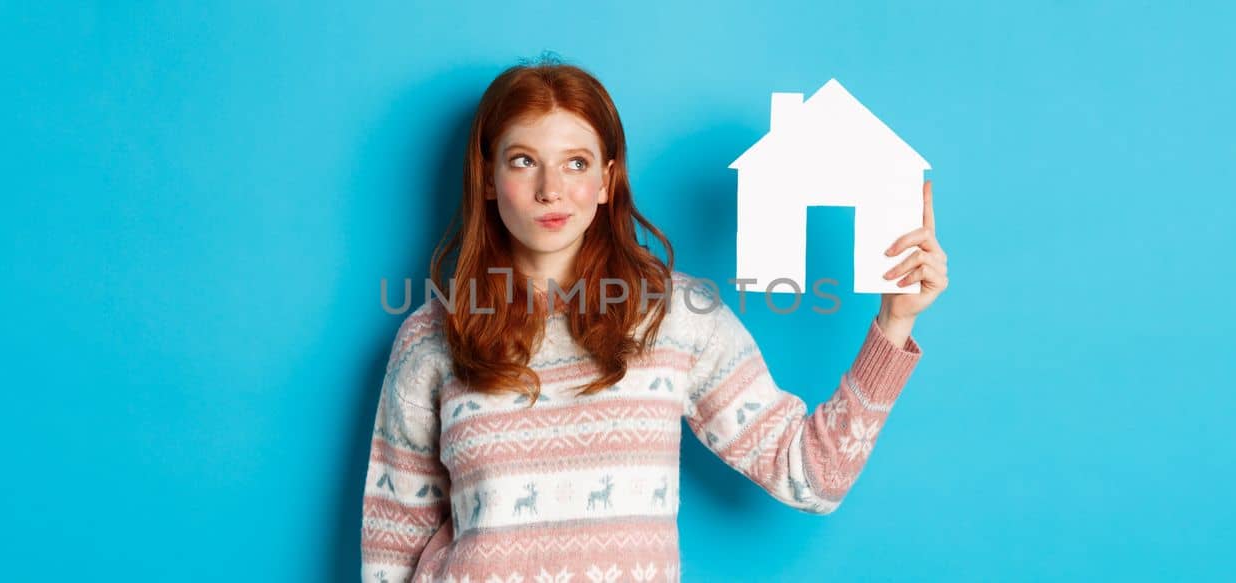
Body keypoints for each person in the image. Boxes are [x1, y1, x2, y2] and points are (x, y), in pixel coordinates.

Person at [360, 59, 949, 582]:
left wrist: (894, 324)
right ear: (488, 178)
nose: (550, 190)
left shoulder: (677, 319)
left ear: (606, 180)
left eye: (575, 162)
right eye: (523, 161)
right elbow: (393, 545)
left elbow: (812, 477)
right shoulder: (434, 335)